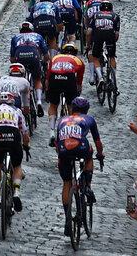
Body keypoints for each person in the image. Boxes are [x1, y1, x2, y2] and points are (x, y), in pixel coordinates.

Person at [53, 95, 102, 237]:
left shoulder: (62, 120)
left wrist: (61, 156)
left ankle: (67, 219)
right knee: (89, 155)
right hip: (81, 147)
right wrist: (100, 154)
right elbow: (97, 141)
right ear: (87, 109)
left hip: (63, 149)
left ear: (72, 108)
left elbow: (57, 142)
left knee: (66, 183)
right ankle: (87, 185)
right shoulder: (89, 119)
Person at [0, 86, 27, 212]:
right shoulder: (17, 111)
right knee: (17, 165)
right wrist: (27, 145)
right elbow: (24, 131)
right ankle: (16, 192)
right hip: (13, 135)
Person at [44, 41, 85, 131]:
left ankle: (52, 130)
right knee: (71, 105)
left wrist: (47, 89)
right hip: (69, 78)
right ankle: (71, 127)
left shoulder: (55, 58)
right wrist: (78, 89)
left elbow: (48, 76)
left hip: (54, 78)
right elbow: (79, 79)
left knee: (53, 105)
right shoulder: (78, 60)